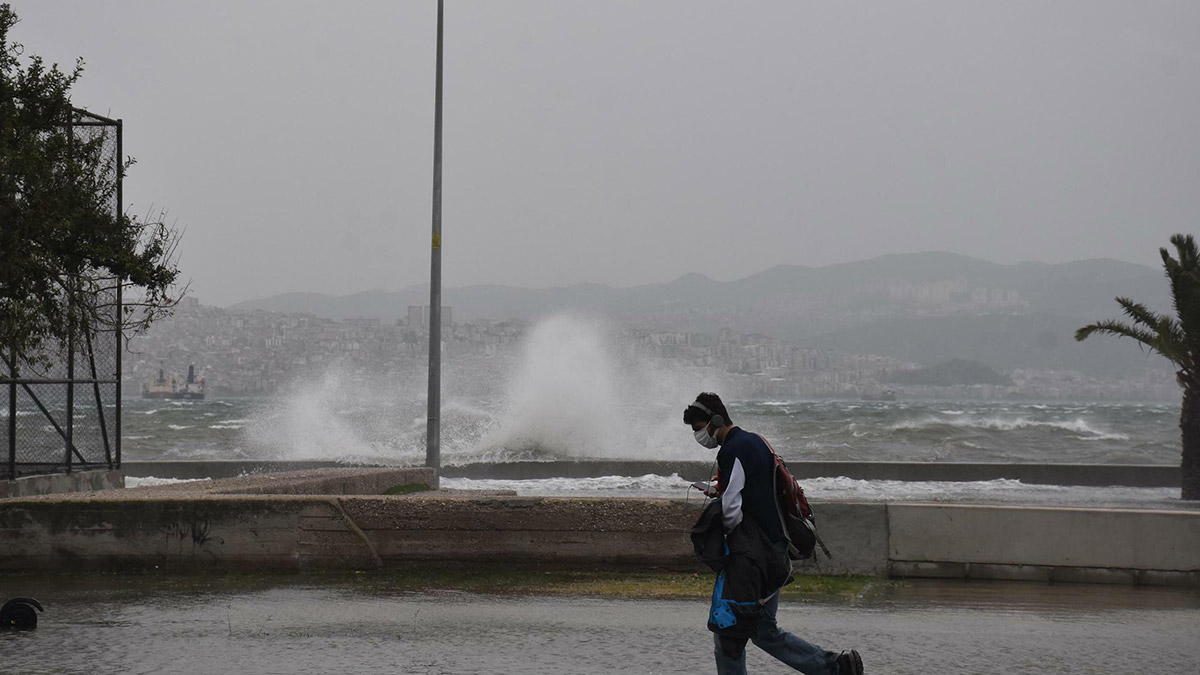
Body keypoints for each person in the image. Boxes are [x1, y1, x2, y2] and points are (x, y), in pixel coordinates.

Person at [685, 392, 864, 675]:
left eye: (698, 428)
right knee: (764, 630)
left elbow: (732, 506)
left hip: (753, 558)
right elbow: (756, 491)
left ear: (715, 421)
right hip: (774, 552)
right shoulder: (755, 441)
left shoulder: (733, 450)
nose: (698, 435)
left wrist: (729, 538)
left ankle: (834, 667)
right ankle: (837, 668)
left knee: (728, 632)